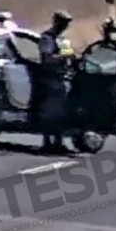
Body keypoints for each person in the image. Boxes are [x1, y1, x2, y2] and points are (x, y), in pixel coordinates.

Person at [35, 11, 77, 152]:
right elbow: (47, 59)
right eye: (63, 22)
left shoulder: (63, 39)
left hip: (62, 79)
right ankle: (47, 143)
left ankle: (58, 142)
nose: (65, 26)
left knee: (60, 112)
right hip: (49, 79)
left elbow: (71, 56)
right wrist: (63, 56)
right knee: (50, 111)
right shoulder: (47, 38)